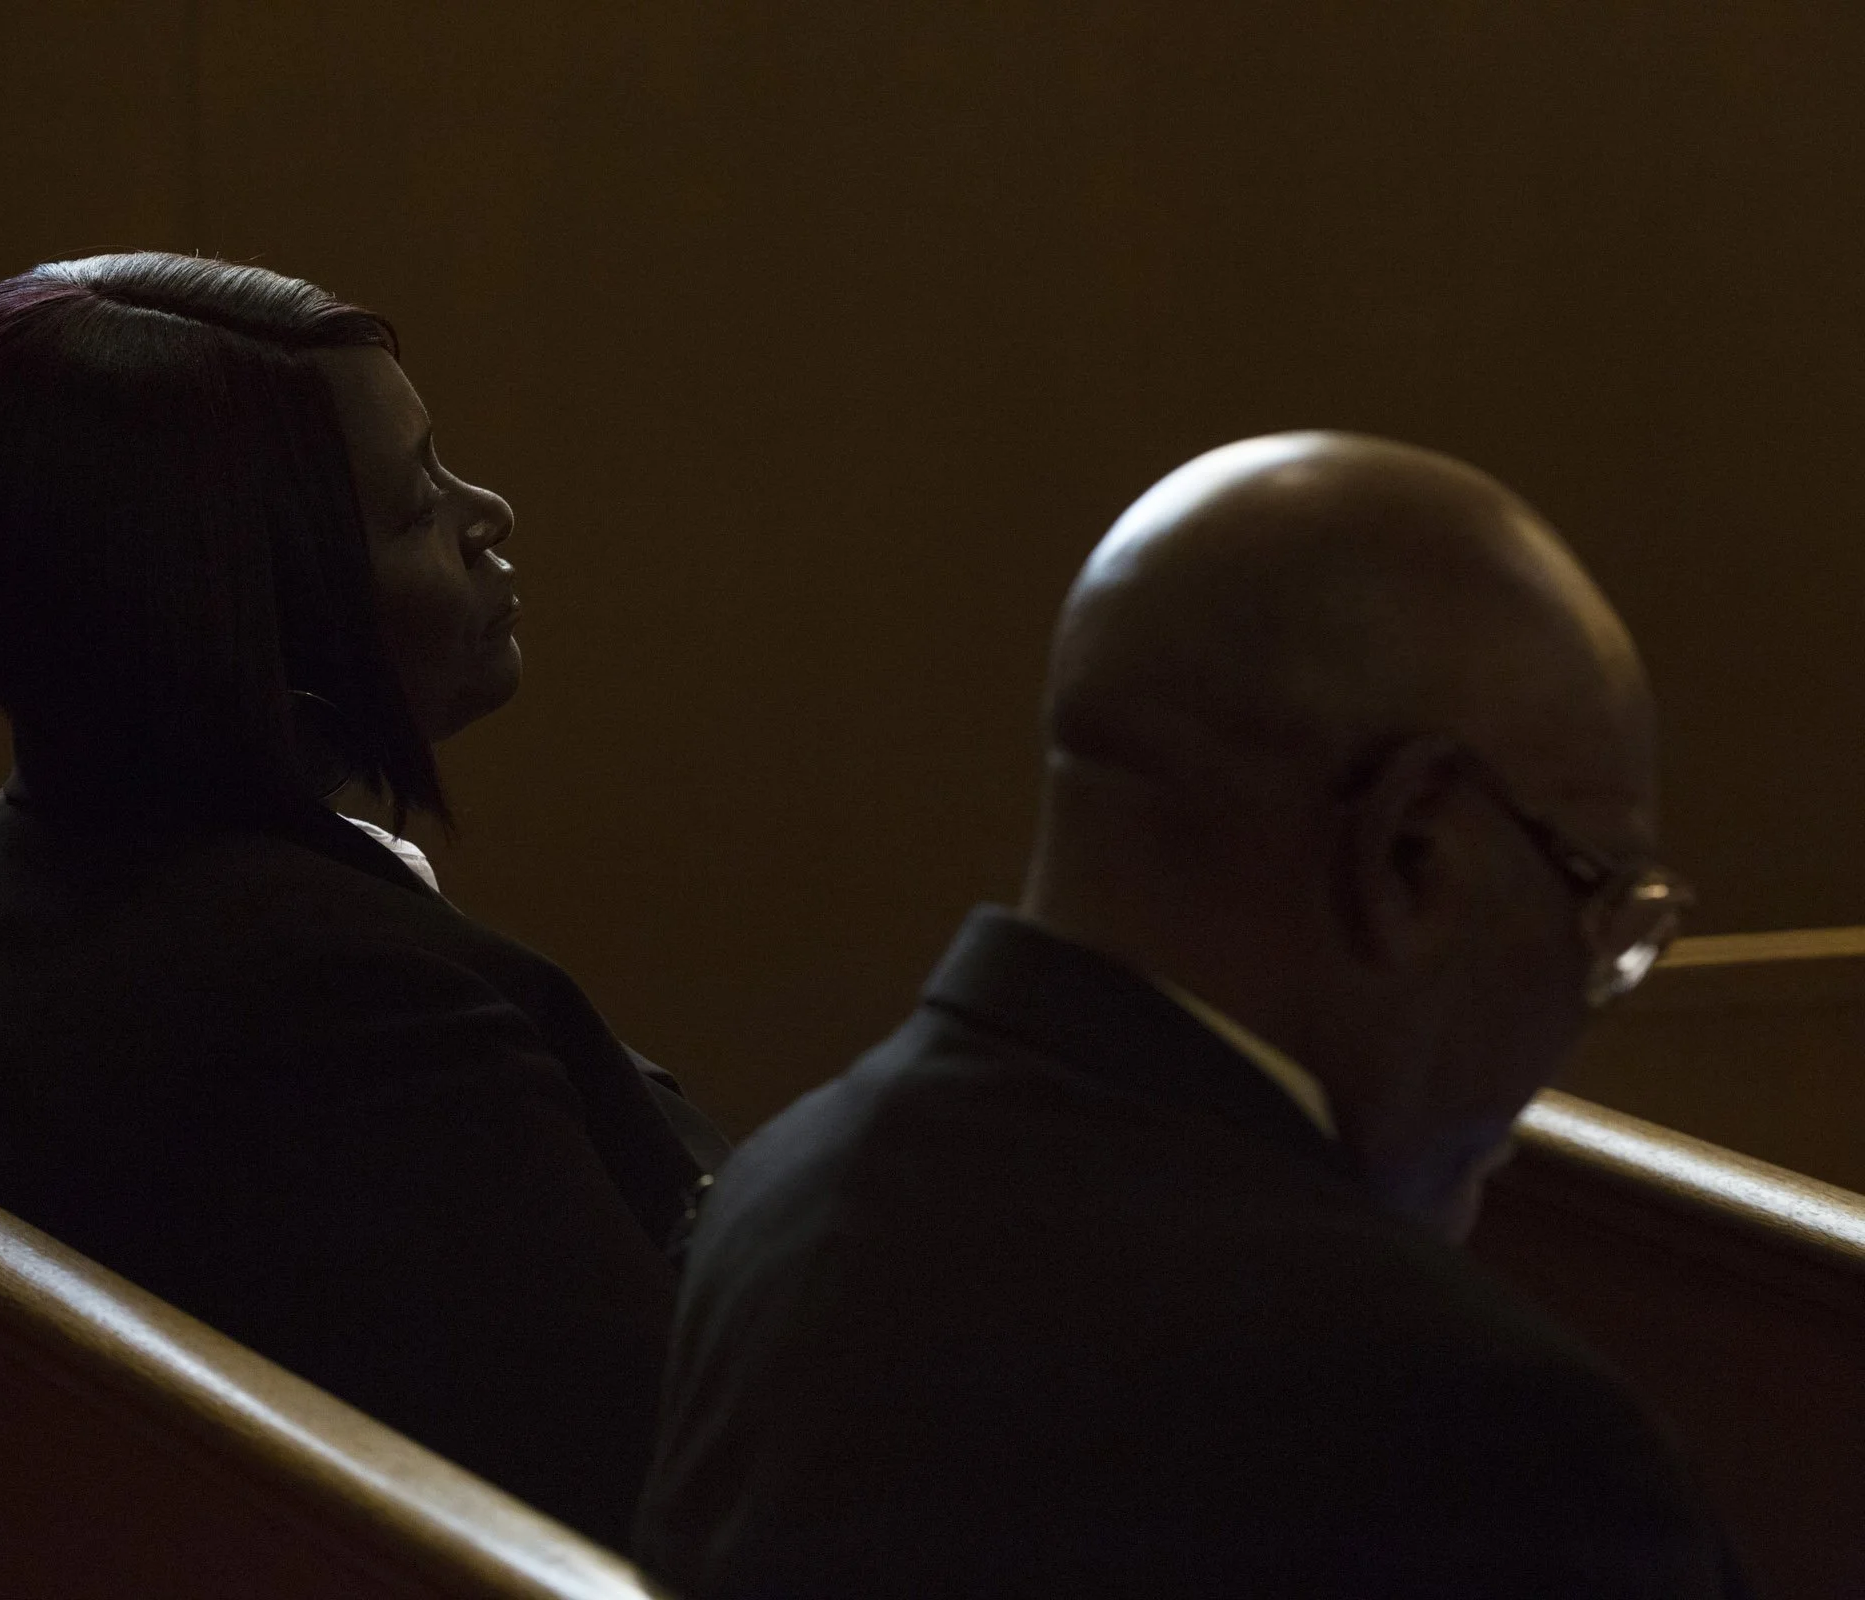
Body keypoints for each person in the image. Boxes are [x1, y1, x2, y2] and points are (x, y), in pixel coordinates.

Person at [637, 433, 1739, 1597]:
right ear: (1414, 854)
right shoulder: (1476, 1432)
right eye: (1600, 898)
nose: (1591, 992)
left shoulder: (781, 1185)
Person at [0, 252, 726, 1549]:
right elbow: (680, 1482)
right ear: (253, 621)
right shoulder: (334, 1025)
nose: (486, 511)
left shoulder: (28, 881)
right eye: (417, 504)